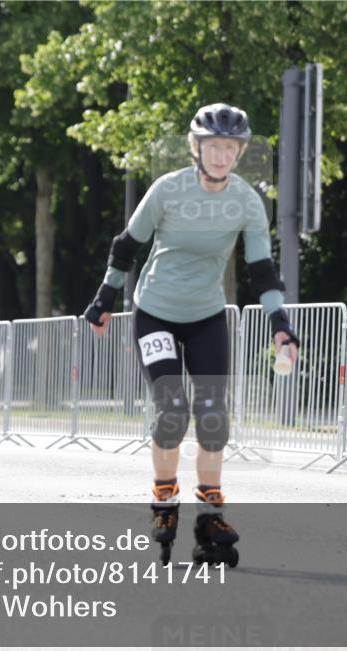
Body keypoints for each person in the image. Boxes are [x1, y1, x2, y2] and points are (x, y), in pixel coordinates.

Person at [83, 102, 300, 565]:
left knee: (213, 418)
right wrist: (103, 300)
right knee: (171, 410)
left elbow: (262, 272)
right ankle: (164, 502)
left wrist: (281, 327)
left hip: (205, 316)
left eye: (230, 147)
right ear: (195, 147)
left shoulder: (246, 201)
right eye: (213, 146)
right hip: (155, 311)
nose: (221, 155)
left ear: (239, 153)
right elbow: (126, 246)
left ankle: (210, 515)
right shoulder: (167, 190)